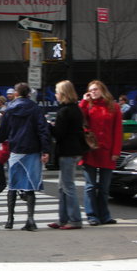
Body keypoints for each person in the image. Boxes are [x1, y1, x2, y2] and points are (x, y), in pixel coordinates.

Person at [0, 82, 51, 231]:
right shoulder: (35, 109)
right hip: (33, 149)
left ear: (16, 93)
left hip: (16, 149)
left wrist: (2, 139)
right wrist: (45, 149)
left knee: (13, 185)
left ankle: (10, 220)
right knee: (30, 186)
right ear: (29, 94)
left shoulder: (10, 109)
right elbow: (42, 129)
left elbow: (2, 131)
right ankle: (30, 219)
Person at [79, 80, 122, 226]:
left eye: (96, 89)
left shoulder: (114, 107)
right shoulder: (88, 106)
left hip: (107, 151)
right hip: (91, 150)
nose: (93, 92)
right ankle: (92, 215)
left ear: (103, 90)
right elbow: (79, 118)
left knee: (104, 187)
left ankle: (104, 215)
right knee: (90, 186)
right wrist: (84, 102)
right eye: (90, 90)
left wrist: (116, 151)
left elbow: (118, 131)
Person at [49, 80, 86, 230]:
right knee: (63, 186)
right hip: (73, 150)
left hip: (67, 151)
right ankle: (63, 219)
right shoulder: (75, 109)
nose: (56, 95)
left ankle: (75, 219)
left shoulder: (64, 111)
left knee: (67, 186)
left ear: (63, 94)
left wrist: (48, 126)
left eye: (57, 92)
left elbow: (59, 134)